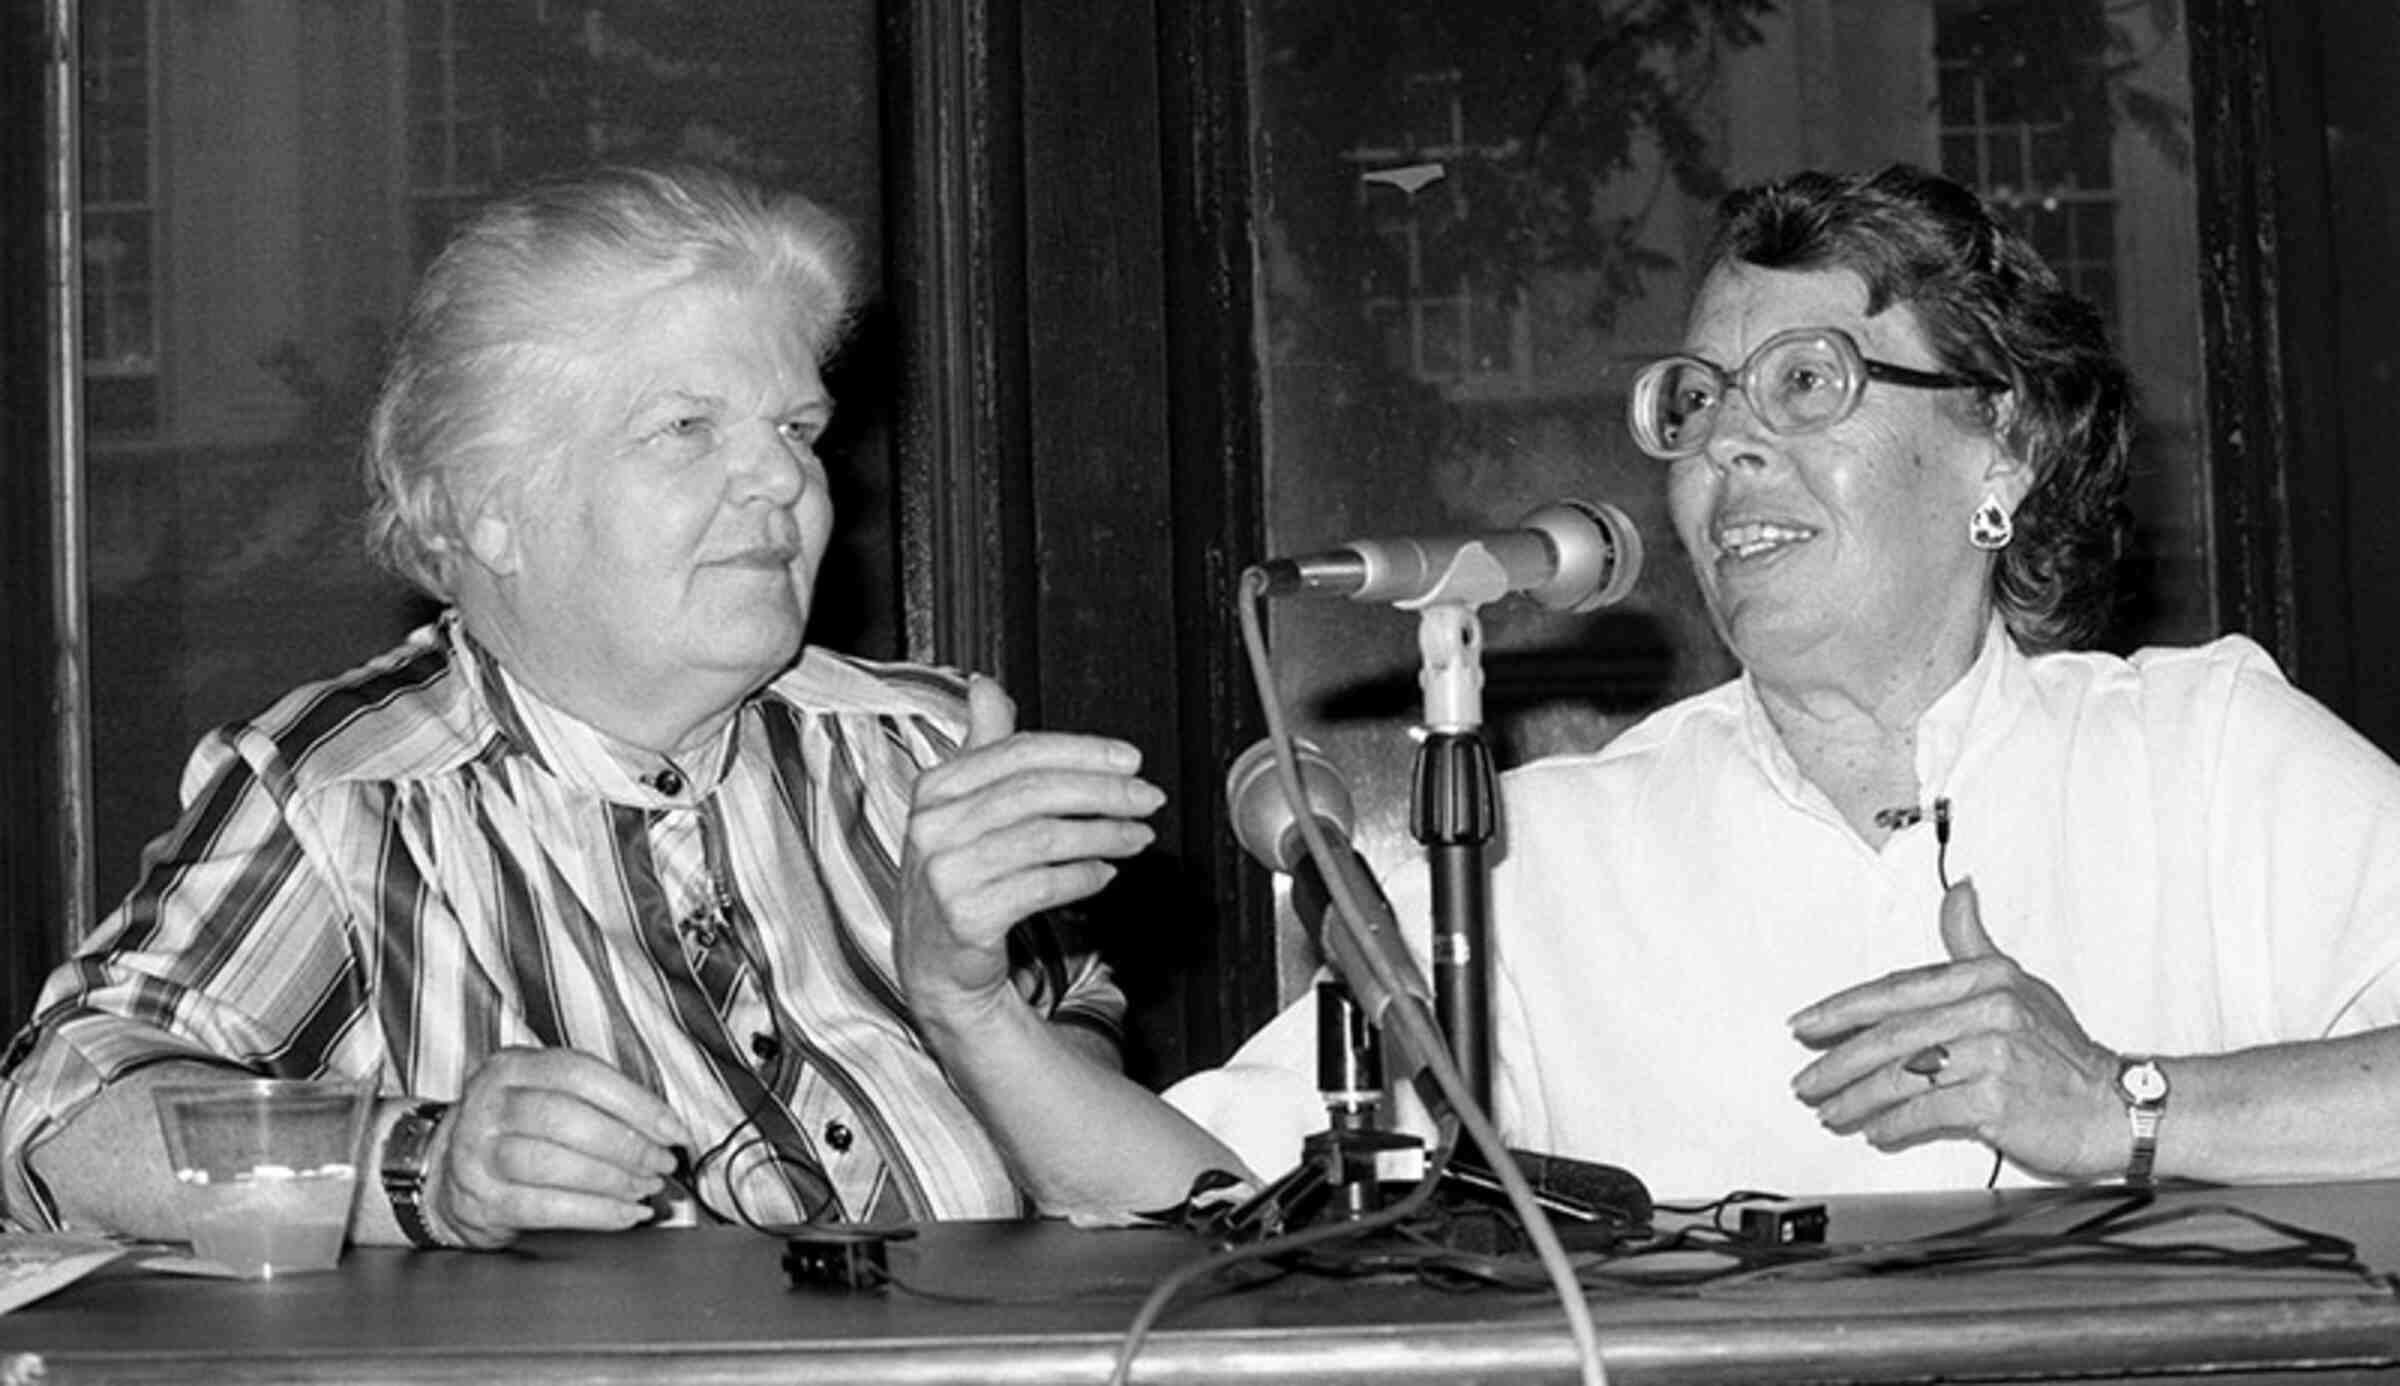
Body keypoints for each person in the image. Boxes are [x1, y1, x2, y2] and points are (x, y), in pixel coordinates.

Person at [0, 163, 1238, 1249]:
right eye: (688, 428)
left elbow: (1194, 1224)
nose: (783, 479)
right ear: (488, 502)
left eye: (798, 428)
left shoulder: (923, 749)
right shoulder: (345, 793)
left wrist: (972, 1013)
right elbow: (54, 1121)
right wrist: (426, 1168)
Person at [1172, 163, 2400, 1200]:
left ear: (2007, 452)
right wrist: (983, 1015)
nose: (1726, 441)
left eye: (1807, 382)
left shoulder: (2214, 761)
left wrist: (2121, 1109)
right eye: (1697, 399)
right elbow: (1213, 1192)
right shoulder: (1537, 863)